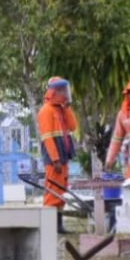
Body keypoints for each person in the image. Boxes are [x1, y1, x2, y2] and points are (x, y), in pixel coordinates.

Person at [37, 76, 79, 232]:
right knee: (53, 191)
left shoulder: (61, 109)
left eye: (65, 90)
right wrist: (55, 160)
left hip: (64, 156)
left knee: (61, 191)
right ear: (53, 91)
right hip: (54, 160)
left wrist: (67, 108)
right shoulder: (46, 111)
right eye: (62, 90)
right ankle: (49, 225)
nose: (65, 93)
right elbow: (47, 138)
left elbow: (73, 127)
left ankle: (58, 225)